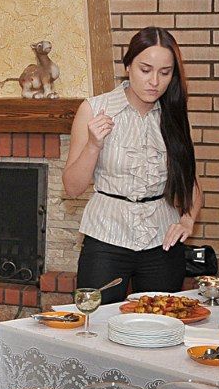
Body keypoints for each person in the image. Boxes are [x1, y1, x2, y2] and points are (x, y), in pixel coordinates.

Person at [63, 27, 203, 306]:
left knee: (161, 322)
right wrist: (93, 145)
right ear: (128, 66)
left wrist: (187, 220)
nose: (155, 81)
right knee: (96, 321)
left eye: (165, 72)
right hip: (106, 238)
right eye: (145, 70)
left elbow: (190, 183)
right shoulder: (94, 109)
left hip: (162, 242)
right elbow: (72, 187)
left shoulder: (174, 115)